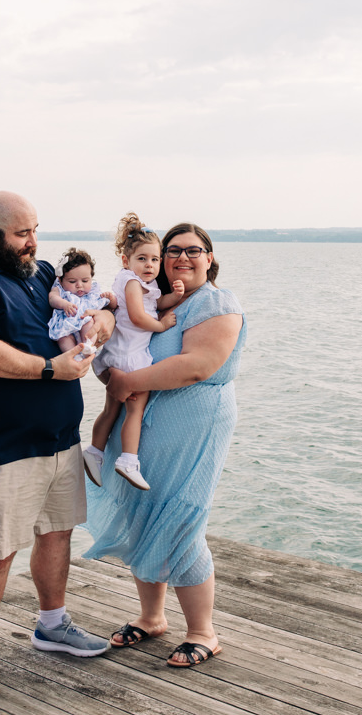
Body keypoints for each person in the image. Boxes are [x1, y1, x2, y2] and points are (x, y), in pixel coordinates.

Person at [0, 191, 115, 695]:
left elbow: (97, 305)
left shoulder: (41, 273)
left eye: (35, 230)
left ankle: (52, 625)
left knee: (57, 533)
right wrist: (52, 368)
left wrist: (103, 320)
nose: (33, 242)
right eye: (23, 233)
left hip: (59, 438)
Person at [82, 222, 246, 669]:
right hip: (143, 426)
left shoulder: (216, 302)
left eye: (193, 250)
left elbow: (198, 365)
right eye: (173, 250)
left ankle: (203, 632)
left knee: (181, 516)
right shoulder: (156, 298)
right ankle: (152, 617)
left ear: (209, 257)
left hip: (193, 425)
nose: (181, 258)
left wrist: (126, 382)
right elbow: (124, 335)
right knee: (143, 511)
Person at [83, 214, 185, 491]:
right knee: (135, 409)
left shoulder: (141, 283)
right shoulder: (131, 282)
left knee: (111, 409)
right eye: (142, 258)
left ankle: (94, 452)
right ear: (126, 260)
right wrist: (161, 325)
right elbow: (139, 316)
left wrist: (175, 297)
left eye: (155, 259)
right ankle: (128, 460)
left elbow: (155, 303)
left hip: (121, 352)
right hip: (129, 355)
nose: (149, 264)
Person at [47, 247, 114, 356]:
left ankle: (88, 346)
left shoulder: (92, 292)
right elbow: (52, 298)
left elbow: (112, 306)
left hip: (84, 319)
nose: (79, 285)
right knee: (63, 337)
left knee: (89, 324)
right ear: (60, 280)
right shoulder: (59, 288)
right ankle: (73, 355)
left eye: (85, 280)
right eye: (72, 281)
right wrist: (64, 304)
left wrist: (111, 298)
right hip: (66, 321)